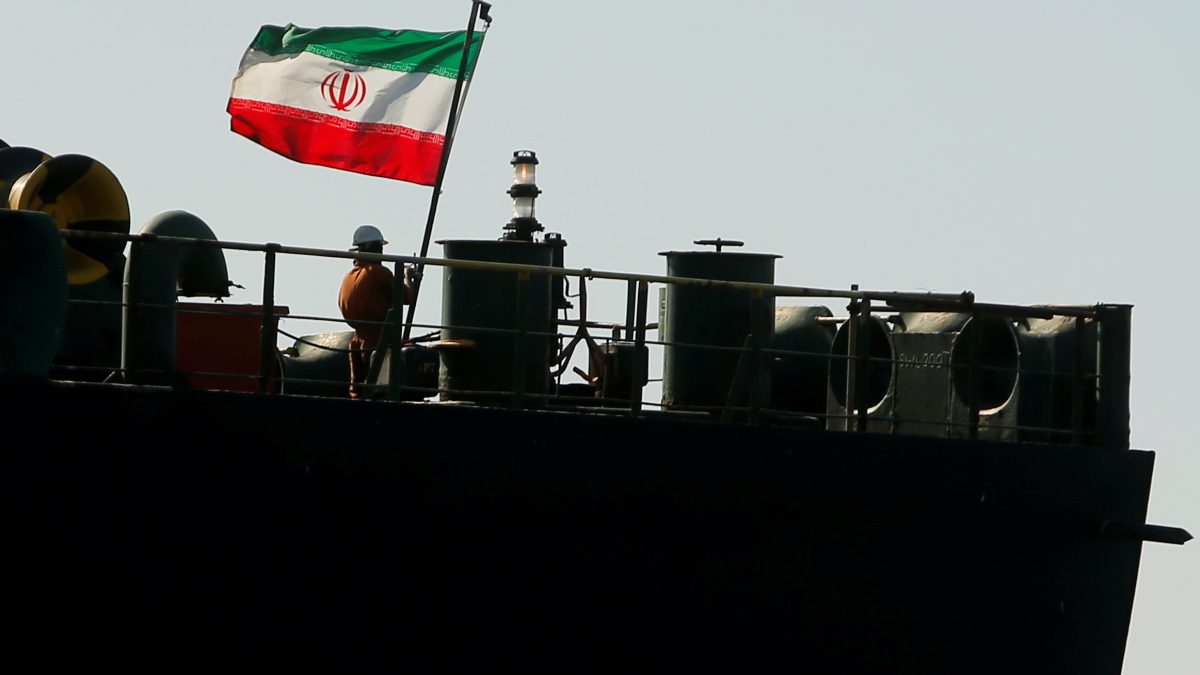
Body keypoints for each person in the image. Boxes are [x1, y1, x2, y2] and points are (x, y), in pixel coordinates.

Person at [337, 224, 415, 398]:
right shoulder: (380, 273)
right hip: (377, 341)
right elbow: (407, 298)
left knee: (357, 391)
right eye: (379, 247)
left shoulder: (349, 276)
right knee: (379, 391)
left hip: (356, 341)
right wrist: (409, 278)